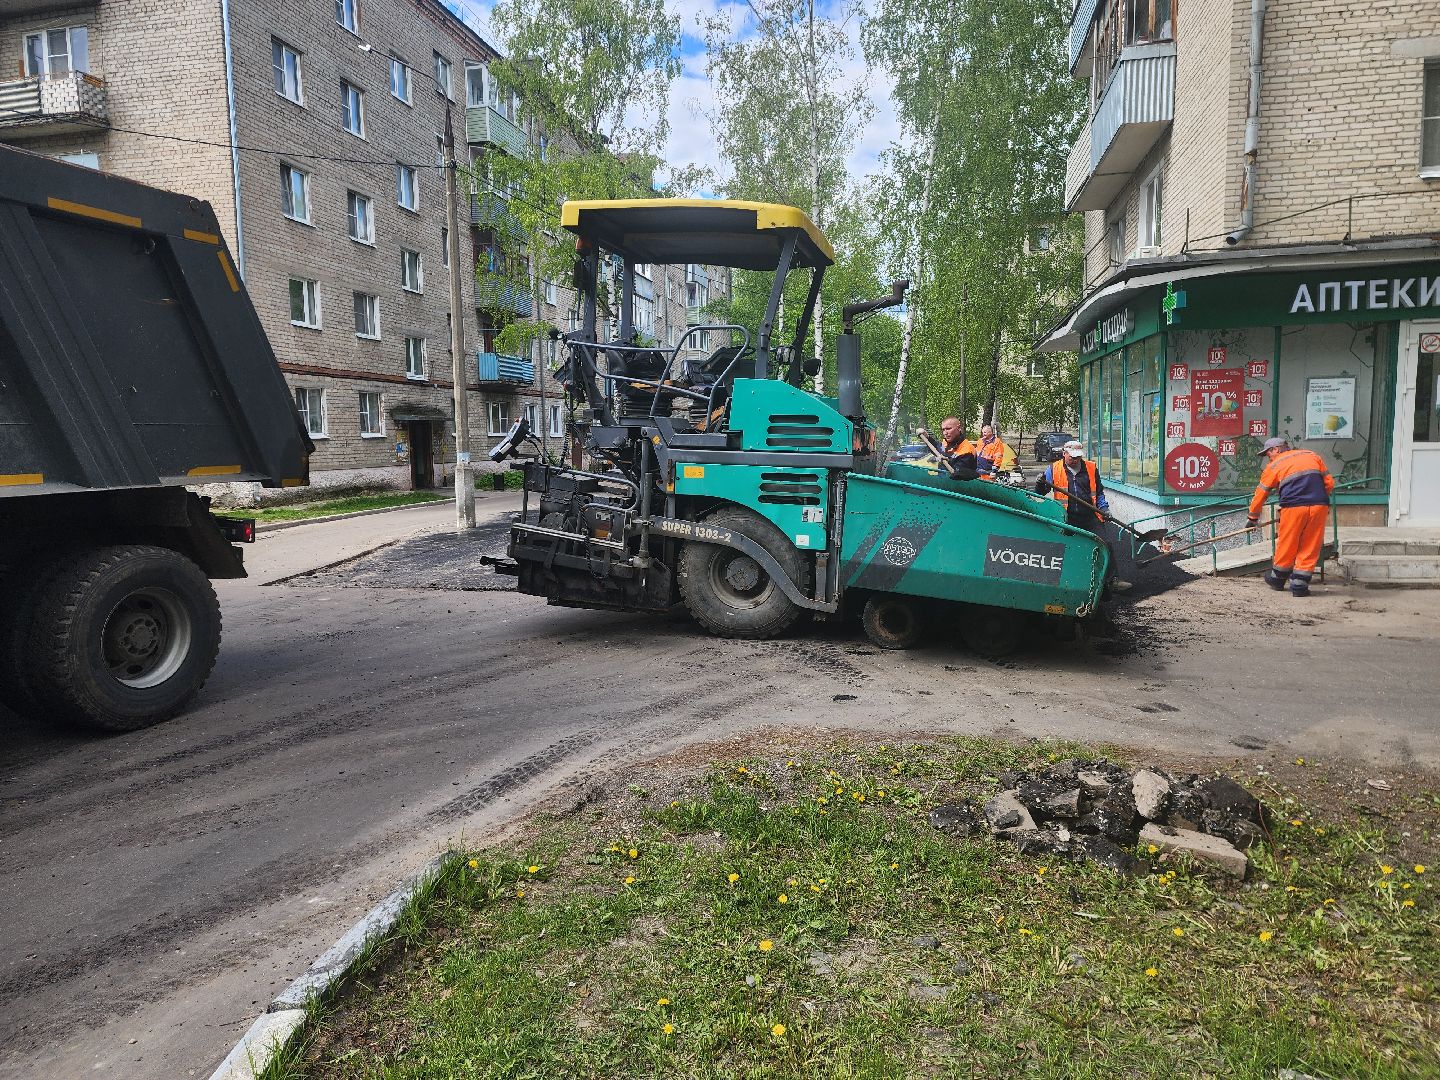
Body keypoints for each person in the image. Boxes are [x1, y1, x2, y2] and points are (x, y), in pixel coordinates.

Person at [1035, 440, 1129, 591]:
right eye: (1072, 457)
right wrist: (1040, 483)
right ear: (1064, 454)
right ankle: (1062, 580)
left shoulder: (1091, 468)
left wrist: (1104, 508)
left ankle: (1113, 581)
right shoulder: (1054, 469)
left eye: (1078, 457)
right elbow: (1040, 493)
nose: (1075, 460)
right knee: (1064, 548)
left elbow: (1098, 493)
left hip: (1090, 515)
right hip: (1066, 517)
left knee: (1105, 544)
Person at [1246, 436, 1334, 596]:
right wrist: (1318, 499)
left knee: (1288, 541)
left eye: (1268, 454)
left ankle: (1278, 578)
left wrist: (1252, 518)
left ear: (1276, 450)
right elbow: (1329, 483)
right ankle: (1299, 585)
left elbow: (1261, 494)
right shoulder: (1311, 455)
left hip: (1293, 508)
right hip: (1319, 505)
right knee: (1311, 544)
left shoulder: (1275, 465)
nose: (1268, 458)